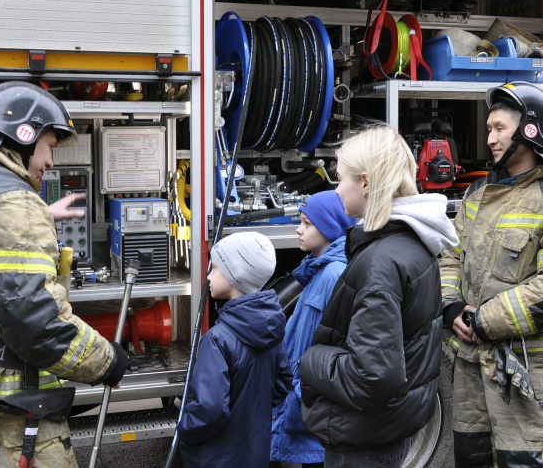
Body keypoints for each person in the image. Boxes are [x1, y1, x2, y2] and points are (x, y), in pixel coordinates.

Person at [0, 82, 129, 467]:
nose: (49, 162)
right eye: (48, 146)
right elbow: (34, 319)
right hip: (0, 404)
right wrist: (107, 361)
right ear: (24, 136)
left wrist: (42, 215)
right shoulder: (11, 198)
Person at [439, 82, 543, 468]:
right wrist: (451, 306)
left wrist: (483, 320)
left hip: (526, 374)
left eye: (499, 128)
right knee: (472, 459)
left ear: (530, 130)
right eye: (489, 129)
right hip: (471, 371)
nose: (490, 138)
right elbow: (449, 255)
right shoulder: (477, 194)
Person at [299, 125, 459, 468]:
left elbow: (373, 378)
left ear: (367, 183)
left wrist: (311, 361)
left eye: (341, 178)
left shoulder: (380, 262)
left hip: (361, 441)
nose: (337, 189)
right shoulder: (412, 246)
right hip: (386, 431)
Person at [177, 231, 293, 468]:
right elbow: (282, 384)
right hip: (256, 452)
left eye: (215, 269)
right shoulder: (273, 331)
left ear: (235, 276)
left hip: (215, 457)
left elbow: (210, 408)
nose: (208, 276)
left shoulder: (217, 339)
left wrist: (185, 430)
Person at [270, 191, 356, 468]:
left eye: (307, 223)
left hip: (310, 397)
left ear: (330, 227)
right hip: (303, 394)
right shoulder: (320, 270)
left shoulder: (333, 275)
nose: (298, 229)